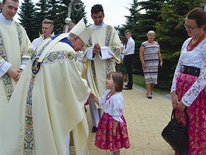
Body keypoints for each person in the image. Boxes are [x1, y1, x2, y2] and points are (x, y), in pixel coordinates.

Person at [0, 19, 93, 155]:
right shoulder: (67, 52)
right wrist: (88, 90)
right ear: (75, 38)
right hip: (52, 102)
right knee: (59, 135)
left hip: (32, 98)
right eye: (82, 44)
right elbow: (75, 84)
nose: (81, 48)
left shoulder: (47, 42)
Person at [171, 8, 206, 155]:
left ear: (202, 27)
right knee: (182, 130)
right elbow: (178, 68)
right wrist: (173, 92)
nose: (187, 29)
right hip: (180, 92)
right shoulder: (186, 42)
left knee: (197, 133)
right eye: (186, 26)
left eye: (191, 27)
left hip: (197, 98)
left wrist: (186, 101)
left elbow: (204, 77)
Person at [84, 4, 121, 133]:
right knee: (93, 93)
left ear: (103, 15)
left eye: (100, 17)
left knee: (108, 94)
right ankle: (96, 123)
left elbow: (117, 48)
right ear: (91, 17)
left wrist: (102, 50)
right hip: (93, 68)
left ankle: (107, 122)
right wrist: (92, 51)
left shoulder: (111, 30)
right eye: (95, 17)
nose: (98, 20)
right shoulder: (87, 31)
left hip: (107, 69)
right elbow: (82, 49)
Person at [0, 0, 32, 123]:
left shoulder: (19, 28)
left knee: (17, 118)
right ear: (1, 5)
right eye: (10, 7)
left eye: (15, 9)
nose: (12, 11)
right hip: (3, 79)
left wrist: (23, 69)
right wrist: (9, 69)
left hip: (18, 79)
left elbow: (28, 50)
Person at [90, 71, 130, 155]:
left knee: (116, 143)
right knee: (110, 140)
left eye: (109, 78)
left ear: (115, 83)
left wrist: (114, 128)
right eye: (107, 78)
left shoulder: (117, 98)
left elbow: (117, 115)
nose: (106, 80)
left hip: (114, 123)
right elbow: (101, 102)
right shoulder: (108, 93)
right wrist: (93, 97)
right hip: (107, 121)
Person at [139, 30, 163, 99]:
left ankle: (150, 90)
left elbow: (159, 53)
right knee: (147, 78)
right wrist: (143, 62)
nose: (151, 36)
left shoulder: (156, 44)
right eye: (150, 35)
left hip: (155, 64)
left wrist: (161, 61)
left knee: (154, 79)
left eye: (153, 35)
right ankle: (149, 92)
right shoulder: (144, 44)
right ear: (147, 36)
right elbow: (141, 54)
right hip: (147, 64)